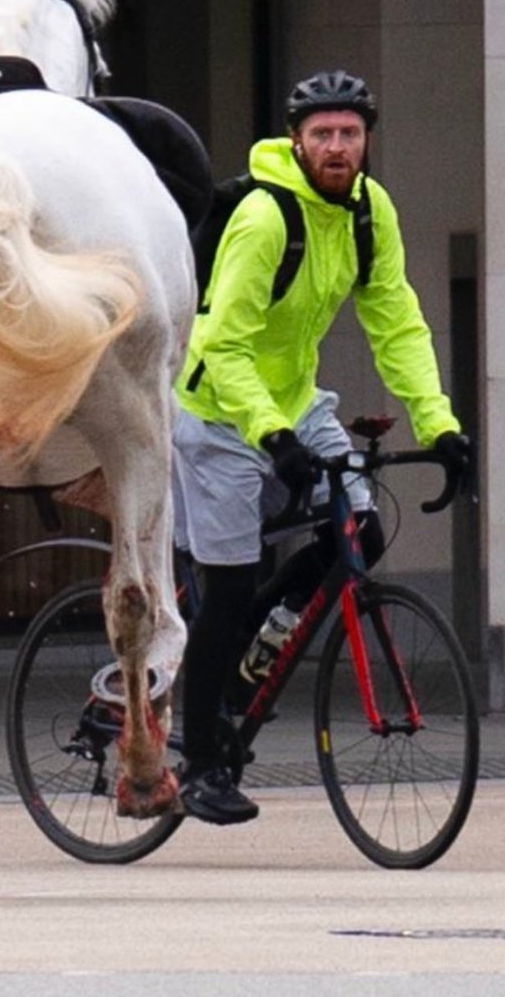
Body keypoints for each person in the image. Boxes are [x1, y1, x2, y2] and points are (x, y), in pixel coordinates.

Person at [171, 69, 472, 826]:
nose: (337, 147)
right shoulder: (268, 218)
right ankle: (197, 757)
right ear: (297, 140)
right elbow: (220, 341)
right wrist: (269, 435)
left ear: (367, 139)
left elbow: (397, 324)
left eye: (350, 134)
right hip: (218, 410)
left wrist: (440, 426)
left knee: (359, 530)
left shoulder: (370, 212)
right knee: (231, 581)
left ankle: (247, 659)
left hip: (296, 402)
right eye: (322, 135)